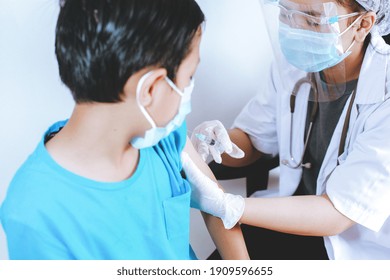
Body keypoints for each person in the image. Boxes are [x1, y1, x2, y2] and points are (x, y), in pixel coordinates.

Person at [0, 0, 248, 260]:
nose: (189, 88)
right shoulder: (36, 214)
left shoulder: (165, 135)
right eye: (189, 77)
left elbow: (219, 208)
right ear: (151, 89)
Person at [185, 0, 390, 259]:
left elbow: (338, 214)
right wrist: (217, 143)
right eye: (287, 13)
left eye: (313, 20)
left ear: (362, 24)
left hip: (349, 243)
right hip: (292, 214)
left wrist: (230, 206)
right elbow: (253, 139)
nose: (297, 30)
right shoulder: (293, 66)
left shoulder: (385, 91)